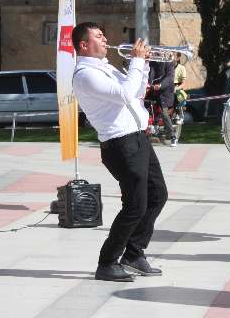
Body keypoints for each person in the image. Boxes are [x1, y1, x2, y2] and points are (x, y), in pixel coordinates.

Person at [71, 22, 168, 282]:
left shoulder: (104, 68)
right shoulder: (85, 74)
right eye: (99, 36)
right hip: (121, 145)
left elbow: (135, 92)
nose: (105, 40)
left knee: (158, 195)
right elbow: (124, 95)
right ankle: (107, 262)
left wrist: (144, 65)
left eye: (104, 35)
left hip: (138, 139)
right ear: (84, 45)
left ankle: (134, 254)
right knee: (134, 206)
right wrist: (136, 62)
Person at [149, 59, 177, 146]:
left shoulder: (169, 64)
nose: (158, 55)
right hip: (151, 92)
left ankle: (173, 137)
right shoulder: (152, 64)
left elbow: (170, 77)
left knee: (164, 114)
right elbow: (147, 75)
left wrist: (160, 85)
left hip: (164, 93)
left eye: (160, 53)